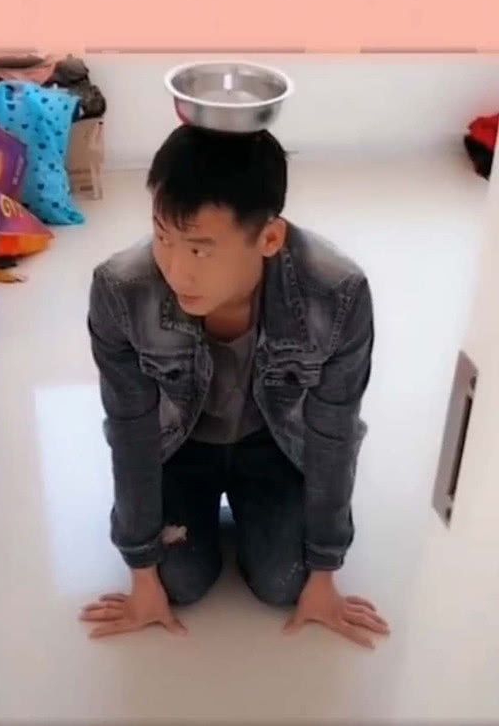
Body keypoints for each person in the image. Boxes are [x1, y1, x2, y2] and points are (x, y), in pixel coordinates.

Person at [82, 125, 390, 648]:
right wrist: (141, 571)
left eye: (200, 251)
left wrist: (324, 570)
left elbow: (334, 431)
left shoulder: (337, 294)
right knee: (177, 582)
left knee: (285, 582)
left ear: (270, 238)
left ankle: (261, 518)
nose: (177, 270)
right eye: (163, 237)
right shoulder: (121, 289)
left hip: (273, 445)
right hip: (181, 448)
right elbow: (131, 429)